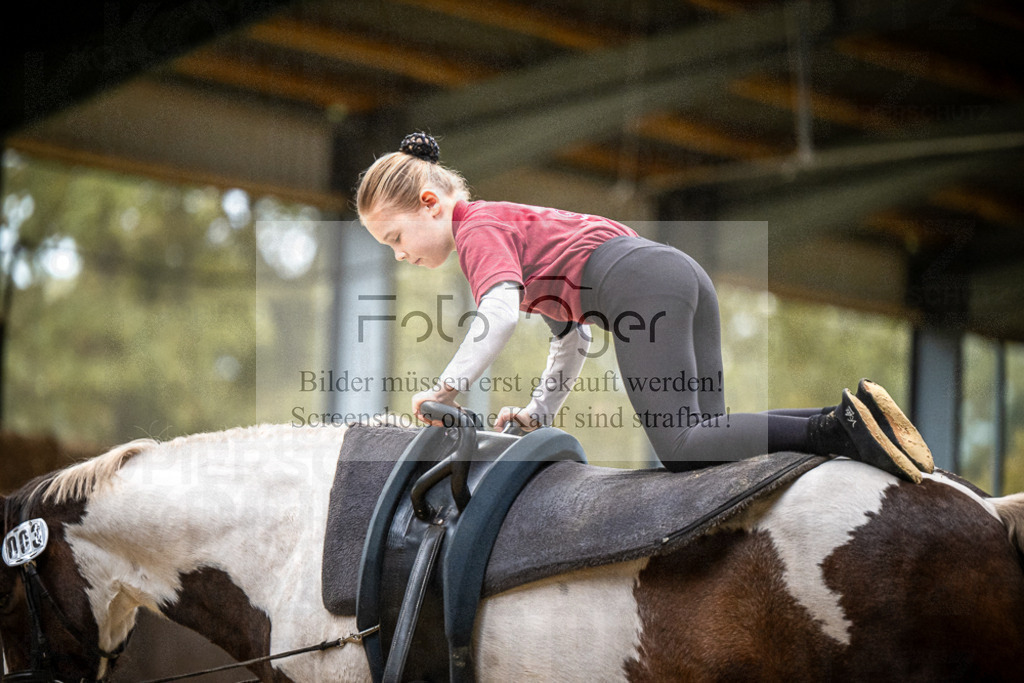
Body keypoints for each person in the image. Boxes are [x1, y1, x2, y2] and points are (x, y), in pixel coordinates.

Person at [354, 132, 934, 483]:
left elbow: (499, 312)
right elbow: (572, 338)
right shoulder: (512, 226)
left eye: (396, 238)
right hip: (675, 274)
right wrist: (537, 413)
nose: (400, 255)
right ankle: (858, 417)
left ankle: (837, 429)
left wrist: (446, 389)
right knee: (712, 448)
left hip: (641, 285)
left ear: (431, 204)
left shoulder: (477, 229)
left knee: (680, 447)